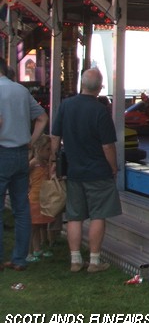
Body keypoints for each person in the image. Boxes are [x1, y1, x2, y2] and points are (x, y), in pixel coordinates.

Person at [50, 68, 121, 273]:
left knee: (74, 216)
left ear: (81, 84)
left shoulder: (66, 106)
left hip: (74, 170)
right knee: (98, 215)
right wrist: (113, 167)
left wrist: (54, 160)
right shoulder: (100, 111)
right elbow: (108, 146)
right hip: (98, 171)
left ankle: (75, 260)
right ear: (100, 88)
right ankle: (95, 261)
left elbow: (55, 137)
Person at [0, 58, 49, 271]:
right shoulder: (21, 91)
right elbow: (42, 117)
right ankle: (19, 258)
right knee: (21, 209)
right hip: (21, 153)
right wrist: (31, 139)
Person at [27, 134, 55, 262]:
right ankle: (28, 252)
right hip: (34, 199)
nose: (50, 152)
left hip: (43, 198)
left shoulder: (45, 164)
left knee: (40, 225)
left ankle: (38, 249)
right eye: (48, 149)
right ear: (39, 149)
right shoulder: (33, 163)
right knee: (32, 227)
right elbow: (25, 175)